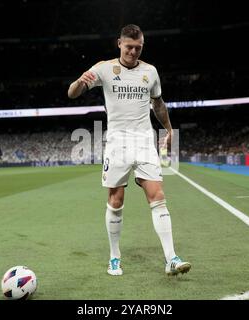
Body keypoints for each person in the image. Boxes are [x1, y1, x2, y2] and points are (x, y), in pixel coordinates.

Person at [68, 24, 191, 276]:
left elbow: (158, 104)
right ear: (119, 44)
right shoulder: (103, 68)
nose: (133, 52)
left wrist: (168, 130)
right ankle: (114, 257)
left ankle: (171, 258)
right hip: (117, 143)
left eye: (138, 48)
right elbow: (72, 94)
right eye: (129, 47)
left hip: (144, 141)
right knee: (116, 200)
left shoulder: (150, 72)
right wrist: (80, 81)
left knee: (157, 195)